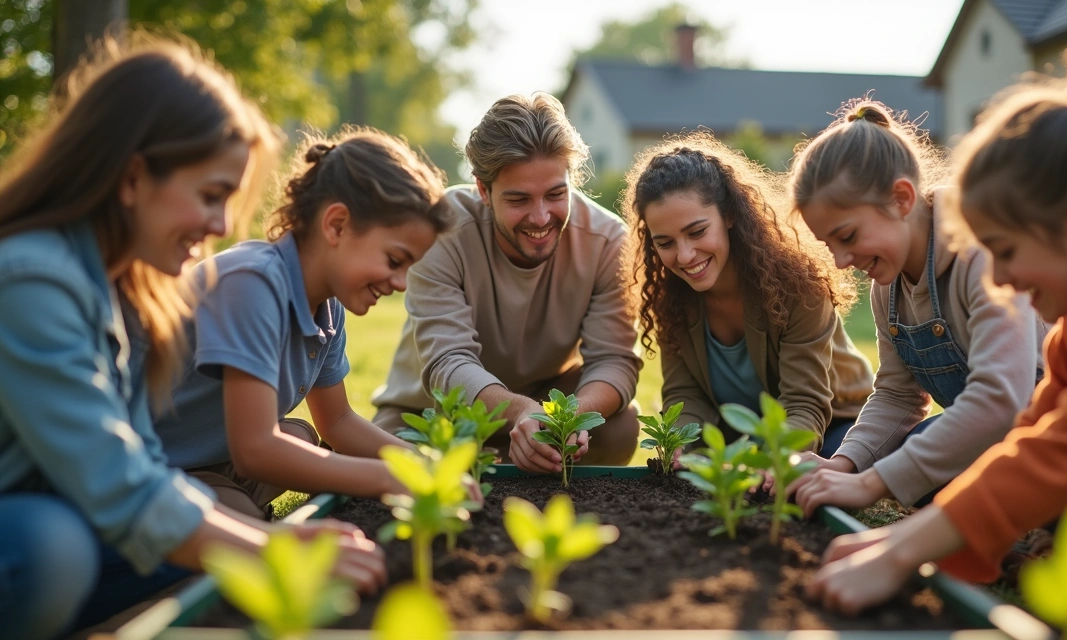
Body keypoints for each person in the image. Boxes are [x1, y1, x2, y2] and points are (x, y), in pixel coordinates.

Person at [808, 41, 1067, 638]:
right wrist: (902, 538)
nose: (998, 278)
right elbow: (1027, 440)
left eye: (1005, 251)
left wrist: (900, 554)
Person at [0, 38, 384, 640]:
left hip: (75, 506)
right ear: (132, 177)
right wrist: (274, 549)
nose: (221, 226)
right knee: (52, 550)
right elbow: (116, 482)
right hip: (39, 526)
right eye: (210, 196)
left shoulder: (117, 284)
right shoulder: (32, 280)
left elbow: (139, 465)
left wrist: (262, 539)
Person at [153, 129, 458, 519]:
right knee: (250, 519)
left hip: (218, 456)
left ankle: (232, 501)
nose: (400, 283)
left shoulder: (329, 308)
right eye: (395, 261)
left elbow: (338, 421)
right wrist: (385, 479)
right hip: (160, 464)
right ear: (337, 225)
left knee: (300, 436)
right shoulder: (252, 283)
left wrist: (422, 465)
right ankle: (234, 512)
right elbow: (255, 450)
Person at [786, 98, 1046, 510]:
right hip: (992, 440)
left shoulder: (980, 252)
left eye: (848, 236)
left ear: (902, 199)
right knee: (919, 459)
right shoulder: (886, 285)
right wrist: (844, 465)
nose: (841, 261)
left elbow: (1001, 399)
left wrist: (873, 484)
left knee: (922, 452)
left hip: (1048, 433)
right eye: (829, 245)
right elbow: (896, 393)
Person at [371, 92, 642, 474]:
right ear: (483, 190)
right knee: (394, 458)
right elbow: (449, 361)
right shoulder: (439, 229)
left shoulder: (608, 240)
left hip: (546, 404)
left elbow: (614, 359)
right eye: (519, 200)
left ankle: (534, 468)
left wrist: (562, 421)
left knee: (620, 427)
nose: (541, 216)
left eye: (556, 194)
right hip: (437, 414)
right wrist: (521, 412)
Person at [622, 132, 873, 454]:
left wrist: (773, 463)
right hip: (740, 436)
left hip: (834, 423)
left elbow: (804, 405)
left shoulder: (798, 286)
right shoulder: (671, 298)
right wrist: (681, 450)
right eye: (665, 243)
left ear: (729, 215)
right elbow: (687, 396)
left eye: (697, 232)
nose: (684, 256)